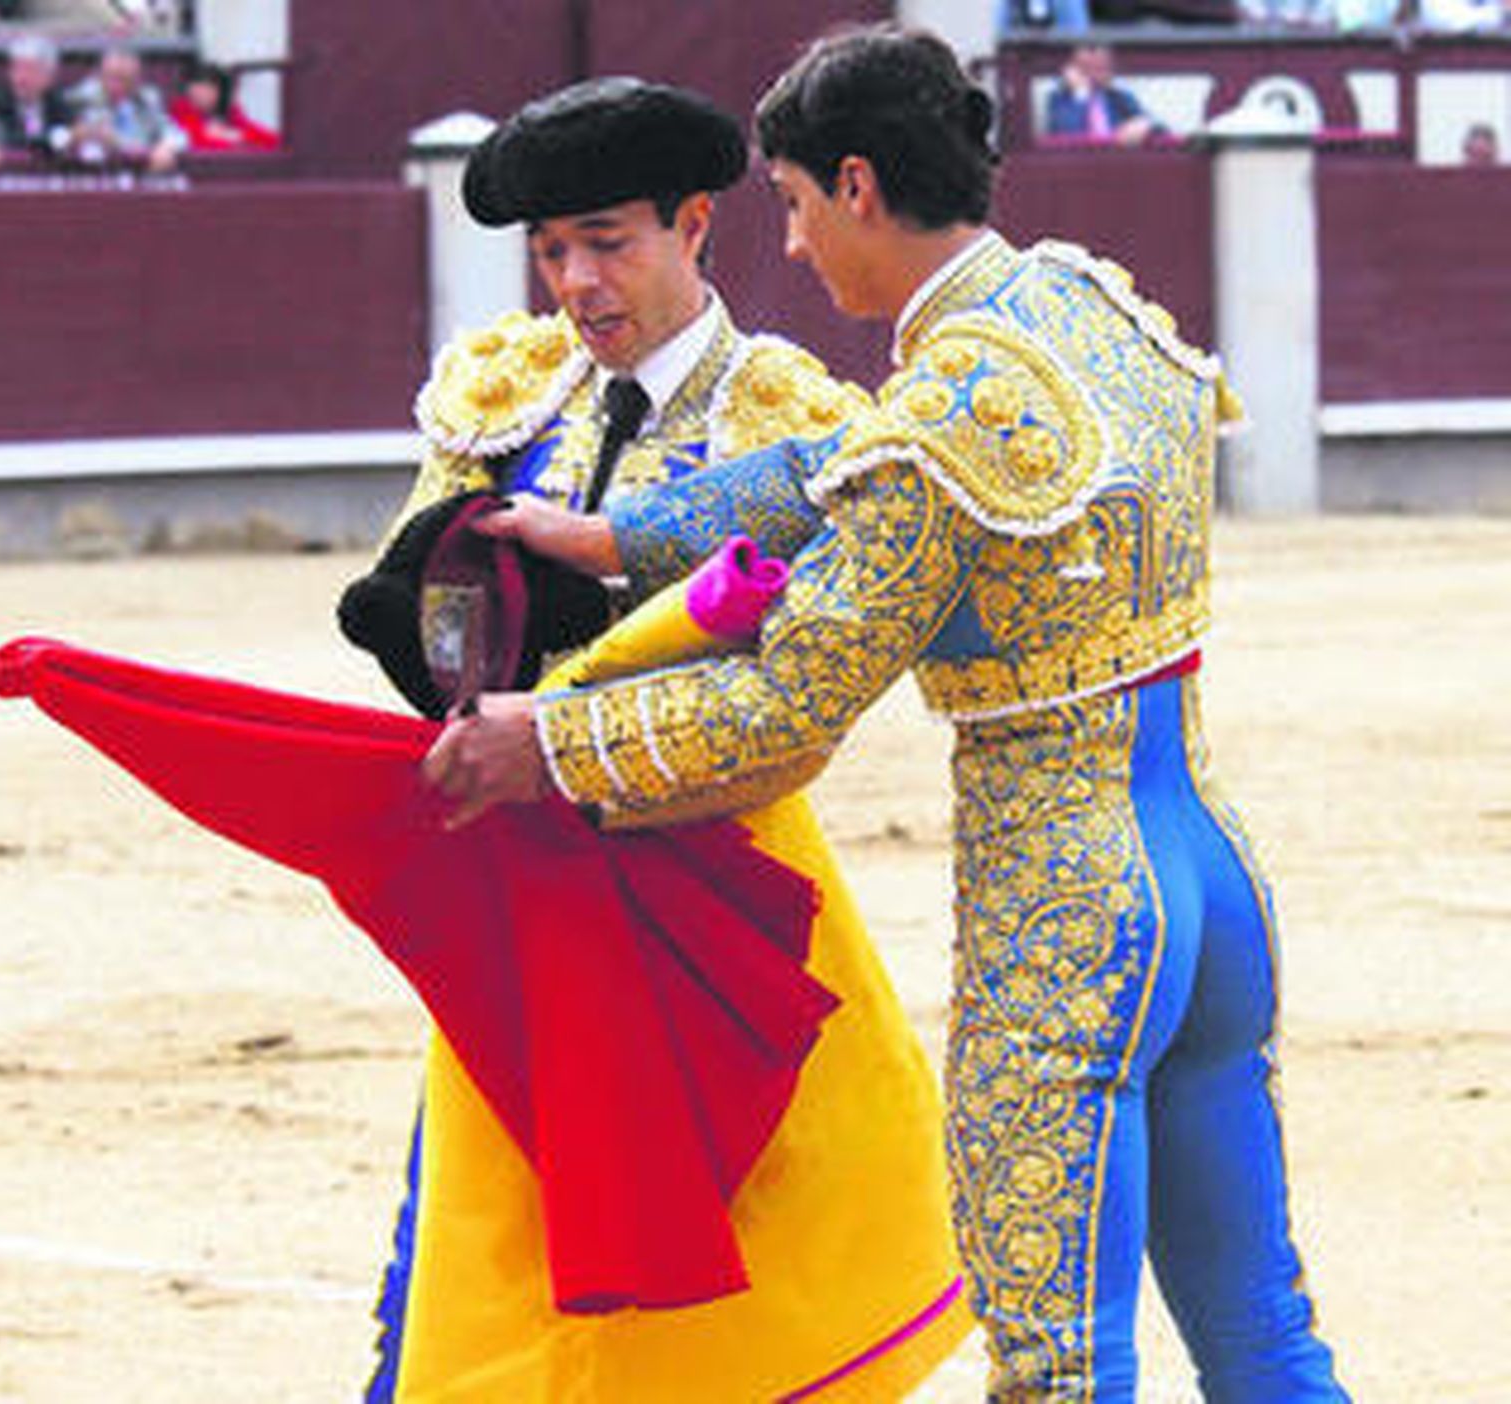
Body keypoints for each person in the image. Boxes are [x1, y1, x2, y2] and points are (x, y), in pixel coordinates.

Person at [436, 25, 1353, 1402]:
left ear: (857, 185)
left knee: (1057, 1366)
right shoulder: (1083, 301)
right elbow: (836, 463)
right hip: (1210, 871)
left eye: (796, 203)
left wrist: (549, 744)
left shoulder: (936, 426)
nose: (794, 243)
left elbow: (784, 702)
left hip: (1070, 904)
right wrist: (623, 537)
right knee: (1262, 1330)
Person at [361, 76, 969, 1403]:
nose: (577, 283)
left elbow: (804, 679)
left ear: (694, 224)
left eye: (607, 242)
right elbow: (419, 613)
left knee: (755, 1226)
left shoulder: (792, 418)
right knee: (474, 1230)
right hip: (523, 871)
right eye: (551, 252)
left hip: (714, 862)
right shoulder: (505, 393)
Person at [68, 45, 185, 171]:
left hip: (138, 174)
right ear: (99, 75)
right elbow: (61, 134)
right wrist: (73, 135)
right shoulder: (81, 98)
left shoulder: (146, 100)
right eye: (110, 77)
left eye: (124, 79)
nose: (115, 85)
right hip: (88, 174)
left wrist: (166, 147)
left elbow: (177, 136)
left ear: (137, 80)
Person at [1044, 45, 1160, 146]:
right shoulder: (1059, 97)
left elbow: (1159, 127)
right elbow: (1069, 135)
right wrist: (1081, 92)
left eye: (1104, 67)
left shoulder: (1117, 95)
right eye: (1092, 50)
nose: (1101, 55)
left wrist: (1146, 124)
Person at [0, 35, 75, 161]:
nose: (21, 78)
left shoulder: (58, 103)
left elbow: (67, 133)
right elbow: (14, 143)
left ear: (48, 77)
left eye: (29, 70)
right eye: (16, 69)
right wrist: (56, 139)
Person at [168, 60, 279, 152]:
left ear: (220, 91)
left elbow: (272, 140)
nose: (201, 92)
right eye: (197, 86)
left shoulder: (230, 112)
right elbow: (196, 142)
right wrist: (237, 140)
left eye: (208, 87)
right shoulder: (181, 109)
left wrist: (233, 135)